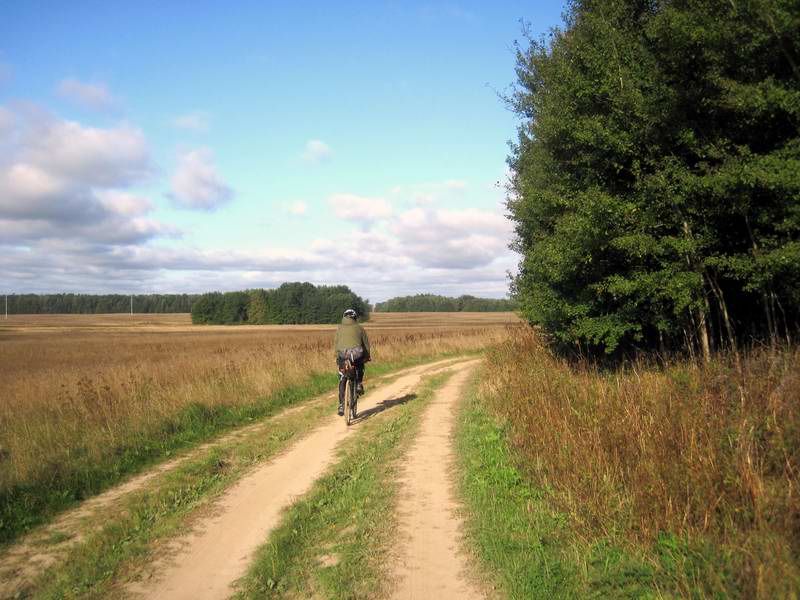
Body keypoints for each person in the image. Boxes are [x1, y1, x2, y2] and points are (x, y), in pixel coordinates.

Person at [334, 308, 370, 416]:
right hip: (356, 355)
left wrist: (336, 356)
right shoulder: (360, 328)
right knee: (360, 365)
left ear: (344, 317)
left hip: (342, 356)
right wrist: (367, 356)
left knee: (342, 377)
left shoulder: (339, 329)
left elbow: (336, 344)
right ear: (354, 318)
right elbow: (366, 345)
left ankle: (341, 405)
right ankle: (358, 383)